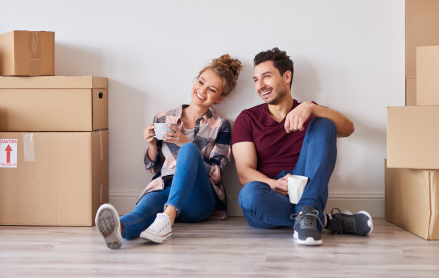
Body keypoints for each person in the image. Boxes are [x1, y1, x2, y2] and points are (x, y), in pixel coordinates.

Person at [95, 54, 242, 249]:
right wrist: (151, 144)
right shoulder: (163, 117)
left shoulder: (221, 126)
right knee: (141, 213)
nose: (202, 90)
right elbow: (153, 168)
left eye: (212, 89)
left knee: (189, 149)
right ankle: (119, 230)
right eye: (201, 82)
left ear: (220, 98)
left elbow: (216, 174)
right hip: (164, 187)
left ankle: (167, 217)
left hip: (198, 199)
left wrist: (185, 143)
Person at [232, 48, 373, 246]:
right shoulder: (247, 119)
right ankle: (326, 221)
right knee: (249, 195)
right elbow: (244, 172)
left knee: (324, 123)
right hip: (270, 194)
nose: (260, 85)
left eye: (266, 77)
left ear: (287, 76)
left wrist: (313, 107)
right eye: (256, 79)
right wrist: (273, 184)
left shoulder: (308, 111)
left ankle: (307, 209)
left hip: (306, 187)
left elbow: (348, 129)